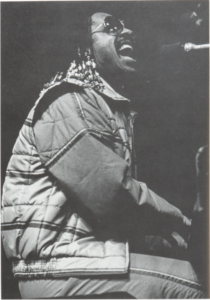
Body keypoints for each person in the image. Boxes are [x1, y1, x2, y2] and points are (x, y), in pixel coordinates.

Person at [1, 12, 206, 299]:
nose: (128, 32)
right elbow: (112, 194)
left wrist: (174, 241)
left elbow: (115, 221)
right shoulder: (65, 100)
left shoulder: (105, 107)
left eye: (127, 26)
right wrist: (185, 226)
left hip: (84, 258)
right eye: (111, 27)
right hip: (55, 268)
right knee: (200, 286)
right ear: (84, 48)